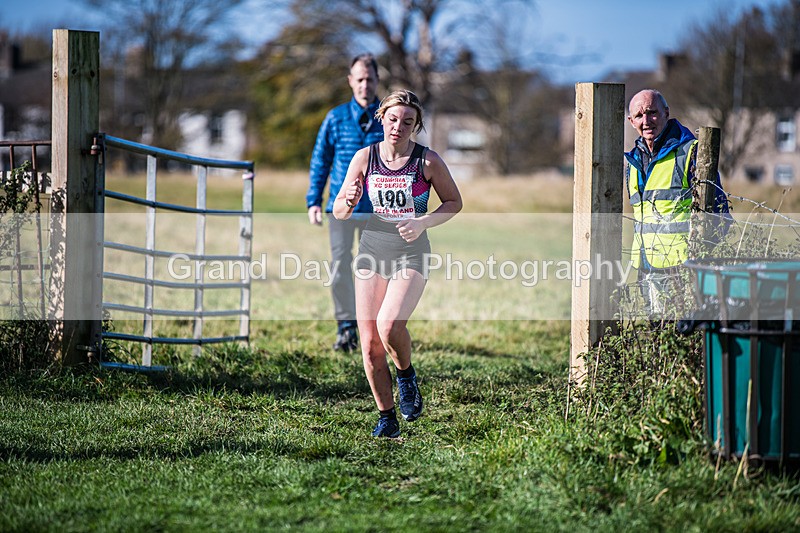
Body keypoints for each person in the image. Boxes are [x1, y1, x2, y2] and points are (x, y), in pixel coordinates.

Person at [333, 89, 462, 438]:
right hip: (372, 248)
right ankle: (386, 418)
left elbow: (454, 202)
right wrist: (348, 199)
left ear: (416, 125)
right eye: (392, 119)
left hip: (412, 250)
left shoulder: (428, 161)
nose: (398, 127)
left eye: (407, 122)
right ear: (382, 118)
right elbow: (339, 212)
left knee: (389, 326)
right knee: (370, 342)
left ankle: (406, 376)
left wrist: (423, 221)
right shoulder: (364, 157)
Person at [625, 89, 729, 317]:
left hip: (685, 270)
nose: (647, 121)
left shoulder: (690, 153)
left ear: (666, 113)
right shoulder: (632, 163)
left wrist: (699, 262)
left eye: (652, 112)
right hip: (646, 269)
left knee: (687, 336)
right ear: (631, 121)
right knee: (656, 334)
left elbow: (720, 215)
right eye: (639, 116)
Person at [306, 53, 384, 352]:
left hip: (377, 210)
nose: (365, 85)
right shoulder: (335, 118)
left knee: (372, 269)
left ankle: (371, 328)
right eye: (360, 79)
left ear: (377, 81)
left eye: (371, 79)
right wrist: (314, 200)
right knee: (340, 265)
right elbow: (320, 160)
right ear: (351, 81)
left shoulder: (386, 119)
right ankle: (346, 328)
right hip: (341, 208)